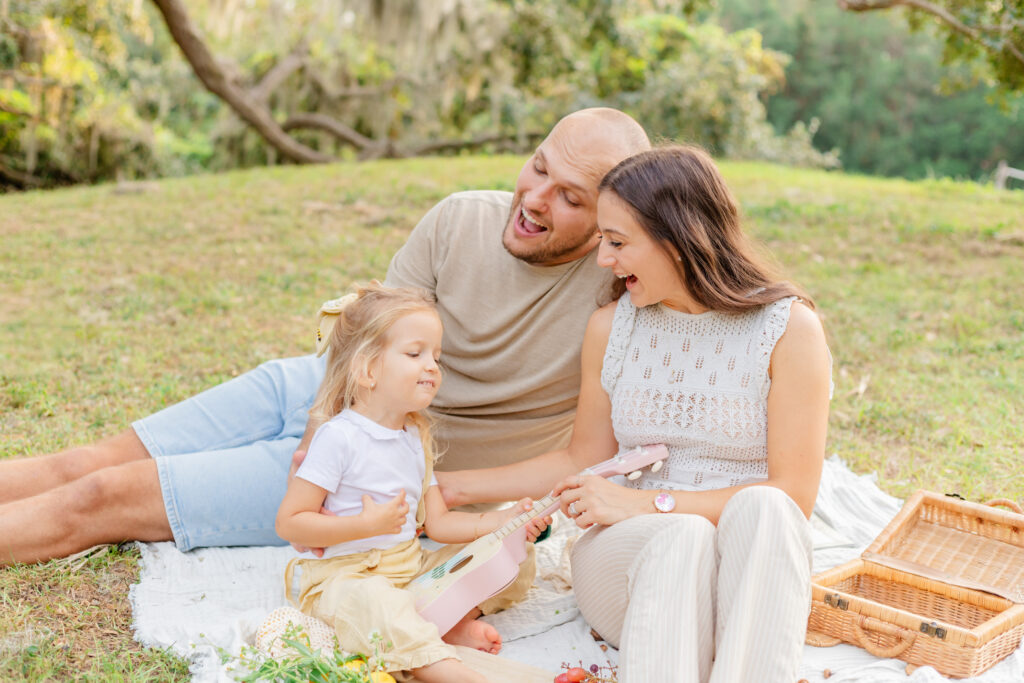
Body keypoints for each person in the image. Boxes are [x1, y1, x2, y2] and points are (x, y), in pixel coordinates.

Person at [0, 107, 650, 565]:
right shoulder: (459, 219)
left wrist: (444, 489)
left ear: (610, 219)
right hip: (312, 391)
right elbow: (368, 337)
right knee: (82, 463)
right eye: (537, 168)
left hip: (373, 468)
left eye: (570, 196)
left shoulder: (617, 303)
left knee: (97, 497)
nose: (535, 198)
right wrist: (320, 424)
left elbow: (584, 450)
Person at [440, 146, 833, 683]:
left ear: (680, 241)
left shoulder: (788, 330)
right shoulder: (612, 328)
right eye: (603, 239)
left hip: (747, 575)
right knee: (682, 537)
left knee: (766, 507)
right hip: (629, 563)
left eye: (618, 242)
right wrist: (453, 488)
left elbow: (795, 498)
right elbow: (584, 457)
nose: (604, 259)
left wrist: (647, 502)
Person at [267, 283, 545, 682]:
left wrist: (506, 524)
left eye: (436, 356)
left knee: (514, 558)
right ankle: (440, 665)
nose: (432, 366)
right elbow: (289, 522)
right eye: (415, 354)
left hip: (411, 570)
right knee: (374, 603)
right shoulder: (339, 437)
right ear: (367, 370)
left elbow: (441, 525)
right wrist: (361, 527)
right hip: (346, 576)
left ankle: (443, 624)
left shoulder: (416, 435)